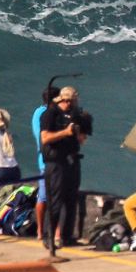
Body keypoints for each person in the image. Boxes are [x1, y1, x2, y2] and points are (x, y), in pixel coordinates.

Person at [38, 86, 87, 246]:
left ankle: (67, 237)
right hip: (55, 163)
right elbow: (45, 138)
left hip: (71, 161)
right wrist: (65, 133)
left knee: (71, 199)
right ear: (66, 100)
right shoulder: (50, 114)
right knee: (55, 200)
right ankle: (49, 236)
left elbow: (80, 140)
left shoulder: (74, 116)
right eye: (72, 102)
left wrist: (79, 132)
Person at [32, 86, 60, 242]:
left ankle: (40, 232)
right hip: (49, 161)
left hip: (43, 159)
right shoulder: (47, 115)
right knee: (52, 198)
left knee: (43, 197)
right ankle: (55, 233)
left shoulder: (37, 113)